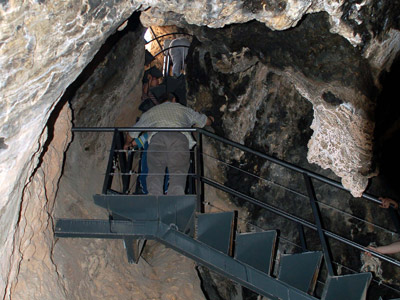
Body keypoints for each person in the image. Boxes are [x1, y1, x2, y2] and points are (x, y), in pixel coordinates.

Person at [124, 93, 214, 195]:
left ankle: (154, 197)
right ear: (174, 100)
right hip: (179, 138)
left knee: (155, 169)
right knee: (178, 171)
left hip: (157, 138)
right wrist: (211, 119)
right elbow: (206, 121)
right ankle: (175, 199)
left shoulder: (152, 112)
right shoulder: (183, 109)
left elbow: (132, 132)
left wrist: (127, 144)